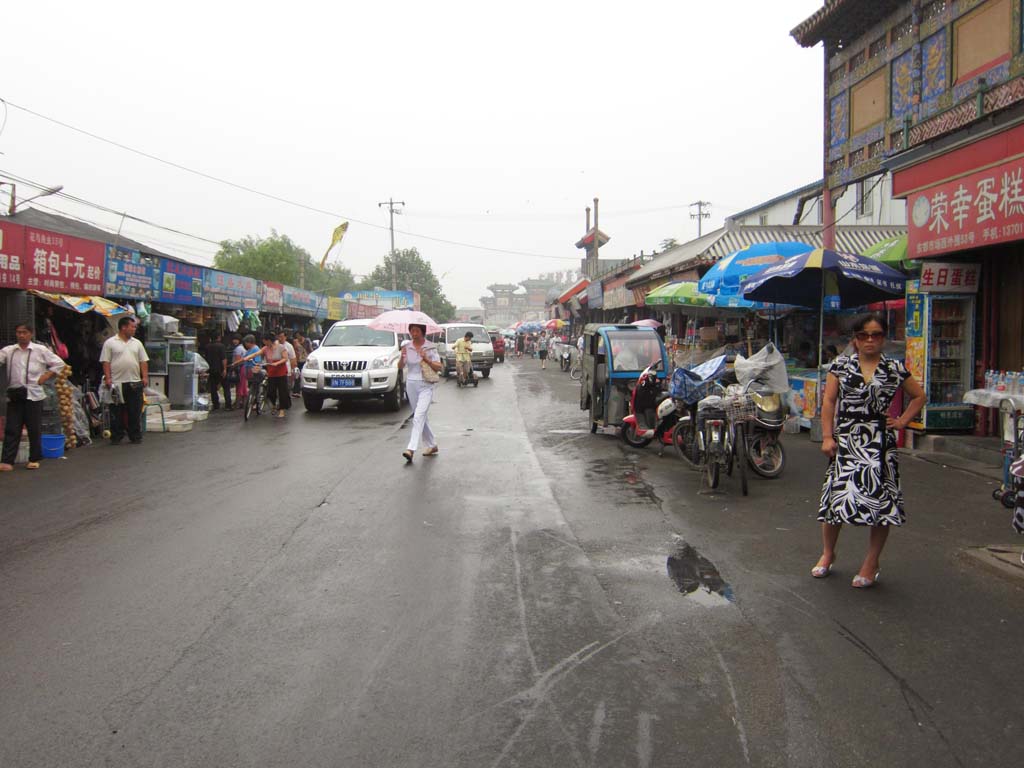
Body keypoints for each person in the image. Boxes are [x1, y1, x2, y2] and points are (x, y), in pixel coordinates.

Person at [815, 313, 926, 588]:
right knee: (835, 501)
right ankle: (828, 553)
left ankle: (871, 562)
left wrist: (901, 421)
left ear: (883, 338)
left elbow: (919, 396)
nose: (870, 340)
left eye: (876, 334)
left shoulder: (894, 368)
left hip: (879, 443)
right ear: (855, 339)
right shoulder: (840, 366)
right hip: (847, 440)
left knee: (881, 504)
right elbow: (829, 402)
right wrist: (827, 437)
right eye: (864, 335)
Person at [0, 323, 67, 471]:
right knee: (12, 428)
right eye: (18, 332)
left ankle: (34, 458)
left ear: (30, 334)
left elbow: (59, 363)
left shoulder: (40, 350)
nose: (21, 335)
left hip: (34, 394)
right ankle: (7, 460)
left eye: (24, 332)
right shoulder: (9, 351)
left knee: (34, 427)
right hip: (15, 394)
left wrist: (47, 375)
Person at [100, 316, 150, 445]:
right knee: (116, 411)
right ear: (123, 327)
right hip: (117, 383)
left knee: (135, 410)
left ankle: (135, 435)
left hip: (134, 382)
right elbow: (106, 361)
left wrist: (144, 377)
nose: (134, 329)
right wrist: (108, 378)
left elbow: (143, 361)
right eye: (132, 327)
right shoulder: (110, 342)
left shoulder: (137, 343)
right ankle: (117, 435)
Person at [397, 322, 442, 463]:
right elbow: (400, 366)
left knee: (418, 416)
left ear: (423, 332)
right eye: (412, 331)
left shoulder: (430, 347)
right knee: (421, 416)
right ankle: (432, 445)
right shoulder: (407, 346)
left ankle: (411, 448)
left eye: (417, 331)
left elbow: (439, 367)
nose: (414, 334)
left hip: (426, 385)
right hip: (411, 384)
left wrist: (426, 358)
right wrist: (402, 356)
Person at [236, 332, 290, 418]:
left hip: (281, 373)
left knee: (282, 392)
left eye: (264, 341)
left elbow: (285, 358)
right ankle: (274, 405)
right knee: (271, 391)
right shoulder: (265, 348)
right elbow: (256, 354)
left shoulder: (281, 347)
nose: (263, 342)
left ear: (268, 340)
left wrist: (277, 363)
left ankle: (282, 410)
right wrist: (247, 358)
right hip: (271, 373)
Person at [204, 332, 232, 411]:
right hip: (220, 369)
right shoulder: (221, 346)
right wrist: (225, 369)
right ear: (218, 337)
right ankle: (228, 405)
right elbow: (224, 359)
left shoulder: (207, 347)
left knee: (213, 388)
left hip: (211, 370)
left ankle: (216, 405)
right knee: (226, 387)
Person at [292, 331, 311, 395]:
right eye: (296, 335)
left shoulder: (307, 341)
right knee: (297, 375)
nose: (297, 336)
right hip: (298, 360)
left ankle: (305, 390)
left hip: (305, 360)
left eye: (298, 335)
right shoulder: (295, 341)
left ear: (301, 335)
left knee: (304, 375)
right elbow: (294, 350)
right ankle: (296, 391)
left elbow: (310, 350)